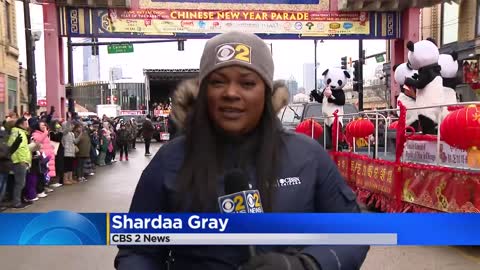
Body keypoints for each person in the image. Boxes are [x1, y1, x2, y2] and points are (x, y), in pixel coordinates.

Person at [114, 32, 369, 270]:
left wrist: (307, 264)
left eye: (247, 83)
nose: (231, 93)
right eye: (218, 82)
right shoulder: (169, 161)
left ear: (267, 94)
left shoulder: (308, 156)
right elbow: (137, 251)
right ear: (203, 93)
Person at [8, 118, 33, 209]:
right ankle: (16, 203)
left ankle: (21, 200)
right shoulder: (16, 132)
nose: (28, 125)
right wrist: (21, 160)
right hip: (19, 161)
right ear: (21, 124)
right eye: (26, 123)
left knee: (22, 183)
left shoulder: (22, 132)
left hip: (24, 160)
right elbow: (14, 148)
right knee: (19, 183)